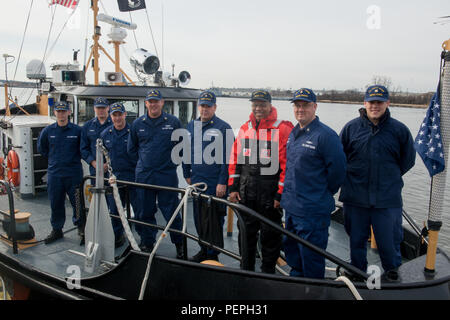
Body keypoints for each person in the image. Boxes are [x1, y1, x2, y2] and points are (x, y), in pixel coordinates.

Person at [339, 85, 416, 279]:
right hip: (355, 198)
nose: (375, 106)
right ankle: (357, 275)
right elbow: (340, 159)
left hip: (387, 200)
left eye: (379, 102)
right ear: (364, 103)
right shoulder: (350, 128)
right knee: (356, 242)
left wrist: (388, 178)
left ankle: (392, 277)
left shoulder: (399, 130)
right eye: (371, 102)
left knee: (389, 244)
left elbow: (407, 161)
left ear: (387, 103)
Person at [281, 88, 346, 279]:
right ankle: (297, 282)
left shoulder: (326, 136)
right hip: (292, 207)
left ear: (315, 106)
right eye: (297, 105)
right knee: (292, 251)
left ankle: (313, 290)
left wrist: (321, 193)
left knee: (311, 257)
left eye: (305, 105)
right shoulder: (294, 133)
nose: (300, 109)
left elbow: (338, 171)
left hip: (312, 210)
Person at [228, 90, 293, 273]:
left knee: (270, 235)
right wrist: (233, 187)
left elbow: (287, 166)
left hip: (269, 194)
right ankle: (246, 269)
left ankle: (267, 272)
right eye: (255, 104)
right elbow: (235, 160)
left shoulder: (283, 129)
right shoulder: (244, 128)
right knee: (245, 233)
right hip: (246, 191)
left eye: (262, 104)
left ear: (270, 105)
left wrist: (280, 193)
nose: (258, 108)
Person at [127, 89, 184, 258]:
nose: (153, 104)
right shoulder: (137, 124)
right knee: (145, 212)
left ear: (162, 102)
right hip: (144, 176)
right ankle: (147, 242)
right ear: (146, 103)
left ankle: (179, 244)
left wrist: (169, 164)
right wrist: (145, 163)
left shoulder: (173, 122)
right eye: (150, 101)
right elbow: (132, 150)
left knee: (172, 212)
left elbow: (181, 148)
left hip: (166, 175)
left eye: (156, 101)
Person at [182, 90, 233, 262]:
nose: (205, 109)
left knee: (214, 221)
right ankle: (204, 249)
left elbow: (228, 158)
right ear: (198, 106)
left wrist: (222, 182)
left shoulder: (223, 127)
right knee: (198, 219)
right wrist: (186, 172)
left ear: (215, 107)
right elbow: (185, 151)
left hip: (214, 183)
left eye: (208, 106)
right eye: (202, 106)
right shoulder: (191, 126)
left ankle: (213, 254)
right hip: (196, 180)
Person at [37, 102, 83, 244]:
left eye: (64, 111)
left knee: (77, 203)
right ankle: (57, 230)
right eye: (59, 111)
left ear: (69, 112)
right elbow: (42, 149)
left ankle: (81, 227)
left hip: (73, 173)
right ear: (55, 113)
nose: (61, 114)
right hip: (55, 174)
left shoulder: (77, 131)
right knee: (56, 202)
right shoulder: (48, 131)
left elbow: (83, 149)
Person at [101, 102, 139, 248]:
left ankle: (143, 239)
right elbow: (103, 154)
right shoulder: (106, 134)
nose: (117, 118)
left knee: (139, 210)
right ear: (111, 116)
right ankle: (118, 236)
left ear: (124, 115)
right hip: (115, 180)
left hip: (133, 179)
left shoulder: (133, 132)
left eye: (120, 115)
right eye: (114, 115)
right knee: (115, 210)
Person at [80, 97, 112, 179]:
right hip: (95, 169)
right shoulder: (87, 126)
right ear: (94, 108)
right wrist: (93, 162)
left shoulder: (115, 125)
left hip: (113, 169)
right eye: (98, 108)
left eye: (103, 108)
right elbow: (83, 148)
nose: (101, 110)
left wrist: (108, 163)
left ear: (108, 108)